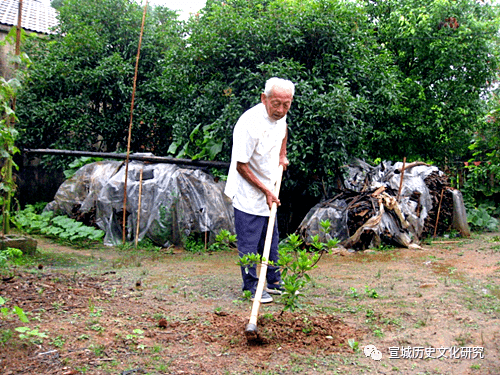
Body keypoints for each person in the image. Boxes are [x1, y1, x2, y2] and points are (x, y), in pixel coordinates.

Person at [224, 77, 295, 303]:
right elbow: (241, 165)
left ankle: (273, 281)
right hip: (247, 190)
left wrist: (282, 155)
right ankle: (252, 287)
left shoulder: (280, 118)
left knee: (270, 239)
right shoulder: (249, 124)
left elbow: (283, 131)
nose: (281, 109)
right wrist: (265, 190)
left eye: (286, 104)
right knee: (249, 242)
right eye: (276, 103)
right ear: (264, 98)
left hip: (269, 186)